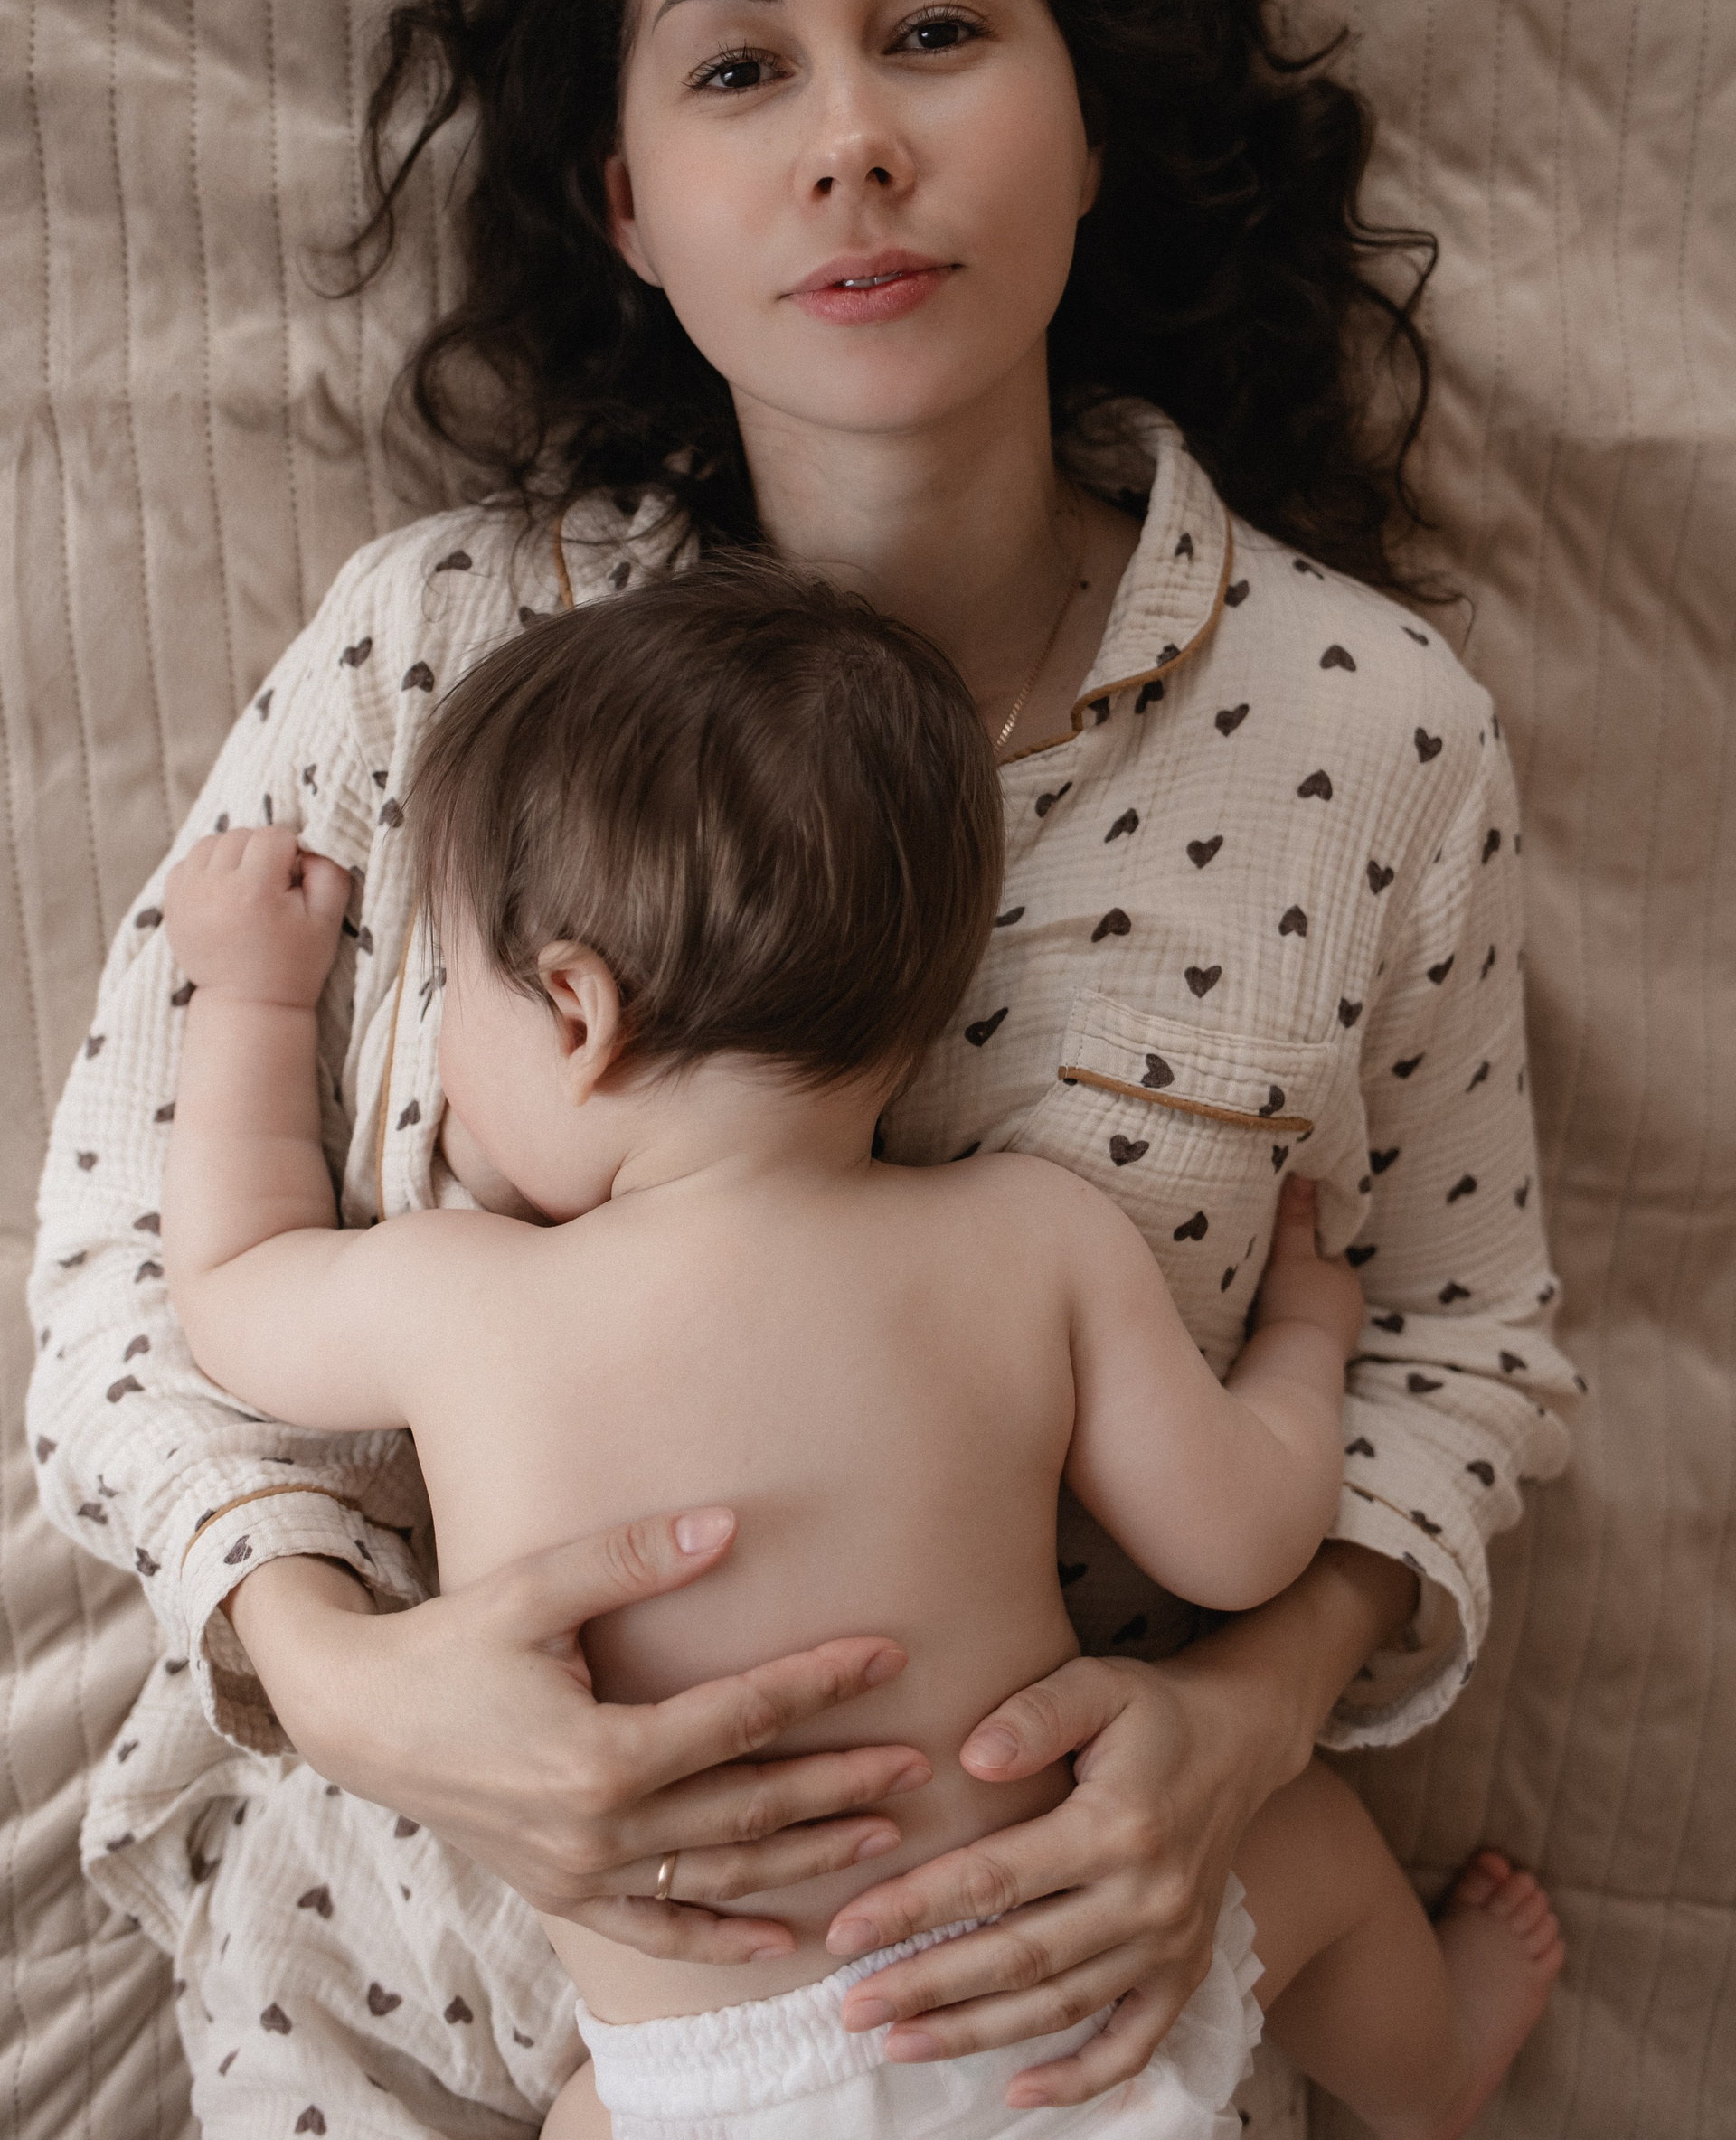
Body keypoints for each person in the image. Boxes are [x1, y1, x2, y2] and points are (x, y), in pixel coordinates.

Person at [29, 0, 1580, 2136]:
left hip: (1043, 1995)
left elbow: (1461, 1341)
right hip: (406, 1989)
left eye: (938, 29)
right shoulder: (439, 654)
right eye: (738, 68)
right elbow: (123, 1286)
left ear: (1091, 117)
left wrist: (1245, 1718)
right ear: (631, 201)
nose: (853, 135)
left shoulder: (1363, 728)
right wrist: (341, 1673)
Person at [156, 563, 1562, 2140]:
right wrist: (1305, 1341)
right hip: (1050, 2000)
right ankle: (1438, 2069)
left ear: (575, 1012)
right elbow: (1244, 1541)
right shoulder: (1030, 1239)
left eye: (447, 990)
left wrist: (249, 997)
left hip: (713, 2085)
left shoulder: (460, 1300)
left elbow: (225, 1281)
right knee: (1305, 1837)